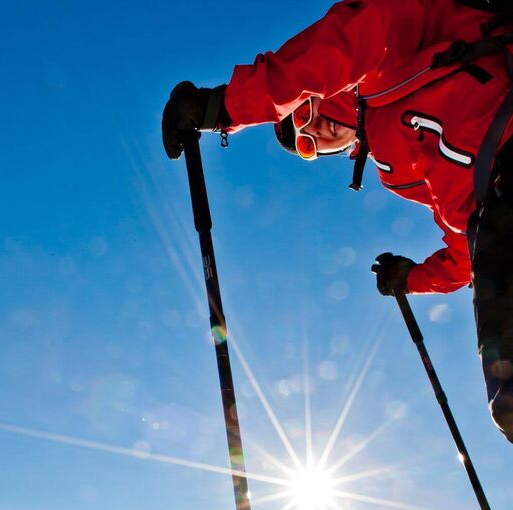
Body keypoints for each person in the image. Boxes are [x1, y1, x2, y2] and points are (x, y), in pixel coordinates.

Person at [162, 0, 513, 443]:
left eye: (301, 114)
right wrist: (413, 278)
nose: (314, 131)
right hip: (498, 212)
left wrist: (227, 107)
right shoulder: (393, 168)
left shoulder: (382, 69)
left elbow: (355, 37)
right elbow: (469, 248)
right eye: (307, 146)